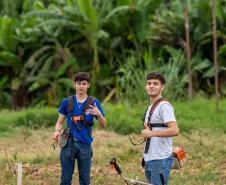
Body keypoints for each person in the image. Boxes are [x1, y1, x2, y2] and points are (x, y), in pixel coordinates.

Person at [52, 72, 106, 185]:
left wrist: (99, 114)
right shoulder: (66, 102)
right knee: (65, 179)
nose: (81, 86)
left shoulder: (94, 102)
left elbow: (103, 125)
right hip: (68, 143)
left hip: (85, 144)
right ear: (74, 84)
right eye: (79, 83)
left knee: (85, 181)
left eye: (84, 84)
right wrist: (57, 131)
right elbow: (59, 121)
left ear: (88, 85)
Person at [139, 71, 179, 185]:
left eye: (155, 84)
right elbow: (154, 130)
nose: (151, 86)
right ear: (146, 86)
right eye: (149, 83)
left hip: (160, 159)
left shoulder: (164, 106)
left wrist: (151, 134)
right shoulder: (150, 107)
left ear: (162, 87)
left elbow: (175, 130)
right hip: (149, 158)